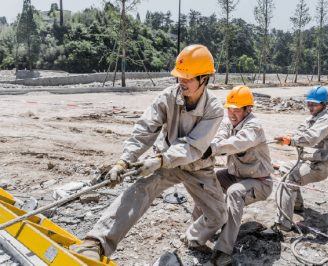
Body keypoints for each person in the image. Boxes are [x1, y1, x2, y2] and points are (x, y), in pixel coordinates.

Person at [71, 44, 228, 261]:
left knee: (219, 215)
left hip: (196, 167)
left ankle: (192, 237)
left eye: (188, 78)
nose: (181, 81)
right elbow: (145, 129)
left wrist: (161, 160)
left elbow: (193, 146)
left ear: (204, 79)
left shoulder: (214, 109)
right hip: (164, 163)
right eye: (179, 77)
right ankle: (96, 242)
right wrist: (124, 161)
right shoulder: (168, 97)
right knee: (140, 189)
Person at [197, 85, 274, 265]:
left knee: (234, 192)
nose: (232, 114)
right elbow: (220, 136)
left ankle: (224, 250)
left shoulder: (253, 126)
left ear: (248, 109)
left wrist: (214, 149)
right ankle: (197, 231)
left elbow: (237, 143)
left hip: (259, 182)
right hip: (236, 175)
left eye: (237, 110)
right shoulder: (229, 122)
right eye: (230, 109)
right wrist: (210, 147)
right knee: (206, 181)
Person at [273, 86, 328, 232]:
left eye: (314, 104)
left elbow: (311, 139)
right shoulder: (311, 119)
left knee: (289, 180)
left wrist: (291, 141)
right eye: (309, 103)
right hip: (308, 162)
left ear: (324, 104)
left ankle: (283, 225)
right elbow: (299, 133)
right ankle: (297, 206)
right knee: (285, 169)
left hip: (319, 166)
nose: (310, 107)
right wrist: (287, 137)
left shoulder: (326, 121)